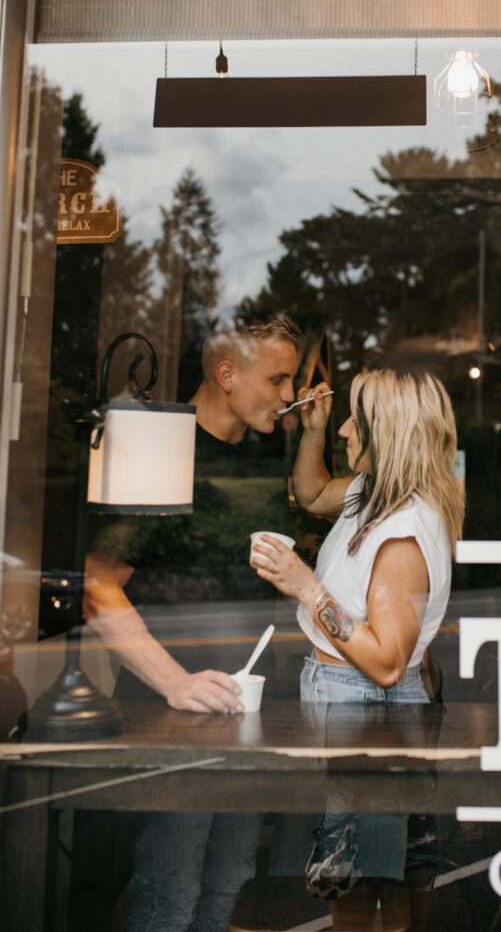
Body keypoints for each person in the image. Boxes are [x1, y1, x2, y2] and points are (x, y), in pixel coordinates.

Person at [84, 313, 301, 932]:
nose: (289, 394)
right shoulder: (161, 446)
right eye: (278, 378)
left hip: (249, 706)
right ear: (226, 375)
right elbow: (98, 586)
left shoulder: (264, 450)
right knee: (169, 896)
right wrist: (175, 681)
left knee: (232, 890)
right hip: (173, 713)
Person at [251, 368, 464, 932]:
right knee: (375, 863)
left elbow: (388, 664)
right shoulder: (371, 495)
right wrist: (312, 431)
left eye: (355, 420)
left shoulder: (401, 535)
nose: (346, 428)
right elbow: (311, 492)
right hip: (358, 706)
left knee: (359, 877)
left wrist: (304, 585)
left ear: (386, 433)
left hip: (370, 706)